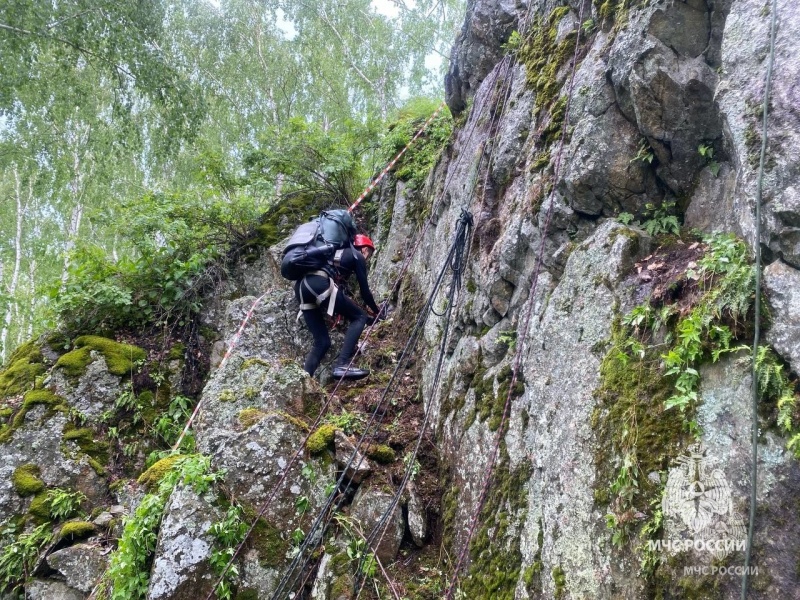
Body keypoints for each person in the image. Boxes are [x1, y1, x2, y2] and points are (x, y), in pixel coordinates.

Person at [295, 234, 382, 379]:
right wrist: (377, 312)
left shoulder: (331, 253)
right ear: (365, 249)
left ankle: (304, 383)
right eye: (369, 255)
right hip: (319, 283)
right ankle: (342, 365)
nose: (367, 258)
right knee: (359, 317)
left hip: (301, 288)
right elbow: (365, 292)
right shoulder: (357, 256)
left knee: (322, 342)